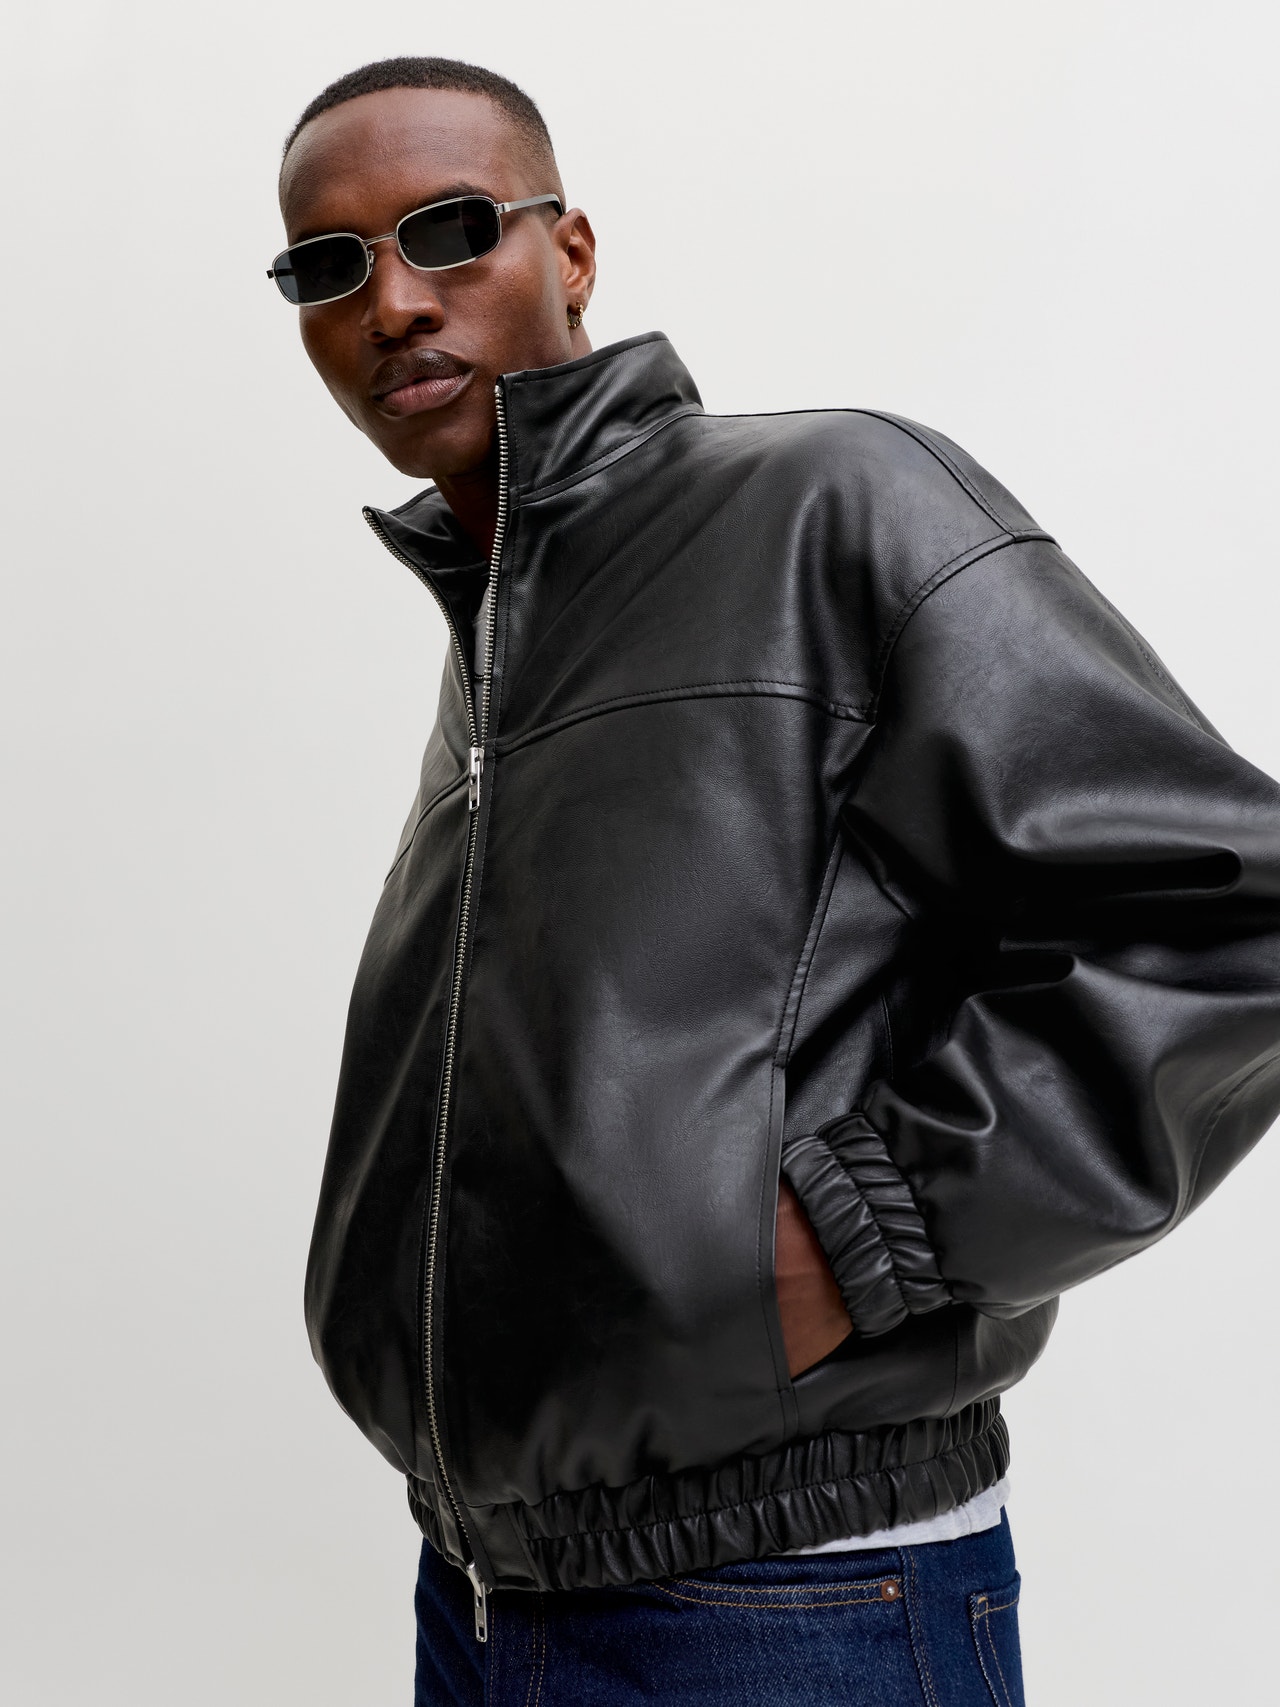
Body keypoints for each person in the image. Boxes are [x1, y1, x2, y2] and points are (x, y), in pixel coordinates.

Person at [271, 56, 1280, 1707]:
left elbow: (1223, 913)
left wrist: (881, 1228)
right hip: (484, 1595)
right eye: (329, 266)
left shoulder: (828, 502)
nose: (392, 302)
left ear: (571, 250)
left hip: (791, 1603)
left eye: (451, 231)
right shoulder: (501, 630)